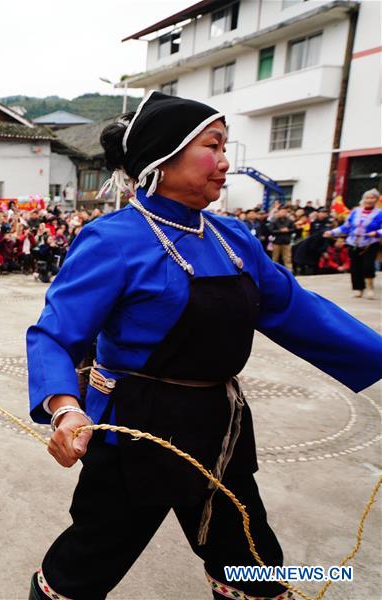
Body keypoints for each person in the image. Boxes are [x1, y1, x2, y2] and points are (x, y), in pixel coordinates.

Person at [26, 91, 382, 600]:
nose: (225, 161)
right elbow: (54, 335)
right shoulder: (113, 239)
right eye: (213, 146)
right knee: (90, 558)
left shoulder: (233, 237)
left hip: (221, 425)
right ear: (163, 159)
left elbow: (298, 310)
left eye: (224, 145)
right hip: (136, 430)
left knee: (251, 559)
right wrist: (65, 409)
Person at [324, 188, 382, 298]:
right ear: (363, 199)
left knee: (368, 266)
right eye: (367, 198)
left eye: (372, 198)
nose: (369, 200)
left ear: (376, 199)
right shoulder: (355, 212)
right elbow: (346, 227)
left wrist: (376, 233)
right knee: (355, 267)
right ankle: (358, 288)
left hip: (370, 244)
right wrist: (331, 232)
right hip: (353, 243)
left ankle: (370, 287)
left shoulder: (380, 214)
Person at [268, 206, 294, 270]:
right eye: (282, 211)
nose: (283, 213)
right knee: (275, 258)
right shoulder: (274, 221)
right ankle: (274, 271)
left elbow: (293, 229)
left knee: (287, 258)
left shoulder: (289, 221)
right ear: (278, 212)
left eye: (285, 212)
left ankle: (289, 272)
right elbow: (271, 231)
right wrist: (280, 231)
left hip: (286, 242)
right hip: (276, 242)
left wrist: (288, 230)